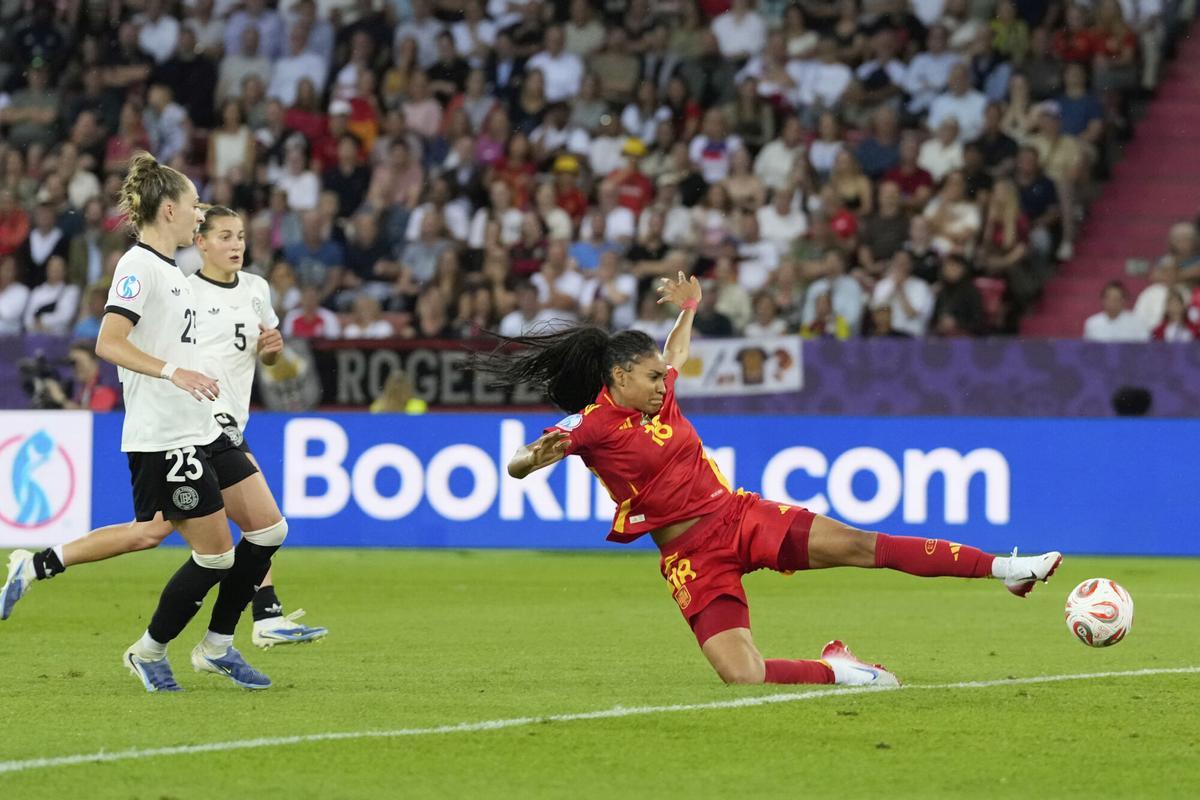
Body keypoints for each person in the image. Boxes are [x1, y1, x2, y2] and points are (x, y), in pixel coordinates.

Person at [477, 273, 1062, 686]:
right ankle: (840, 671)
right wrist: (537, 456)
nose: (665, 385)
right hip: (690, 559)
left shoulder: (660, 393)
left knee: (863, 546)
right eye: (653, 378)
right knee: (744, 676)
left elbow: (675, 351)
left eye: (663, 378)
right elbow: (516, 464)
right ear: (619, 376)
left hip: (738, 518)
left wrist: (690, 310)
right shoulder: (592, 424)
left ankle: (1006, 568)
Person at [0, 156, 283, 692]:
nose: (200, 214)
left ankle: (215, 645)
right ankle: (152, 650)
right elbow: (109, 342)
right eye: (194, 204)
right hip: (167, 434)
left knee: (266, 528)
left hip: (202, 425)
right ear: (170, 209)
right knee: (214, 553)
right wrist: (174, 372)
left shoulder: (173, 272)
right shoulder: (137, 267)